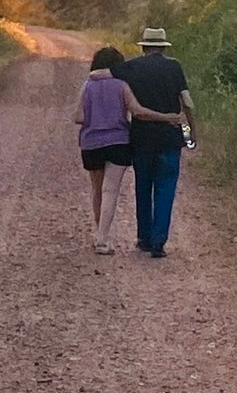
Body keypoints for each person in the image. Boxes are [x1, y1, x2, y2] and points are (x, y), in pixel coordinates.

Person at [74, 46, 181, 255]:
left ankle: (100, 234)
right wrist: (167, 117)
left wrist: (96, 117)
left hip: (91, 143)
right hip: (118, 141)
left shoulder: (87, 85)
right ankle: (102, 239)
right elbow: (138, 111)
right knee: (110, 190)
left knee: (97, 190)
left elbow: (78, 117)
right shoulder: (122, 85)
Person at [112, 27, 197, 259]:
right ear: (163, 46)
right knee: (165, 189)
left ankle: (145, 238)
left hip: (141, 138)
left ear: (143, 47)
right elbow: (187, 104)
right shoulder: (174, 67)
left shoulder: (130, 68)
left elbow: (106, 75)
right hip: (170, 138)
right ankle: (159, 241)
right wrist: (191, 135)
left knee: (143, 187)